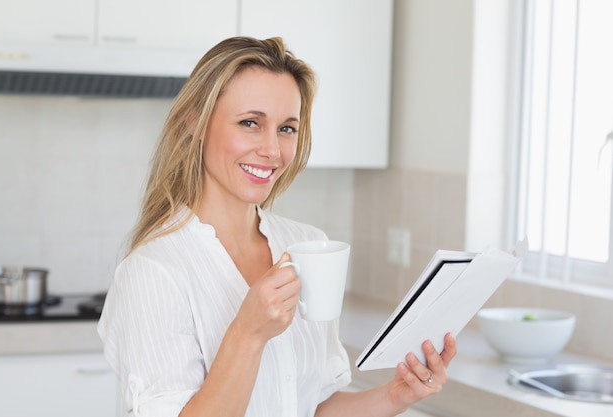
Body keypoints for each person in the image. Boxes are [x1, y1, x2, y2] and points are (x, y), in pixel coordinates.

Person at [98, 36, 457, 417]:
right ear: (196, 123)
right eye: (250, 123)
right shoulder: (154, 272)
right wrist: (248, 334)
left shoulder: (308, 246)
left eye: (287, 128)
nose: (272, 150)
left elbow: (315, 406)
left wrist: (396, 395)